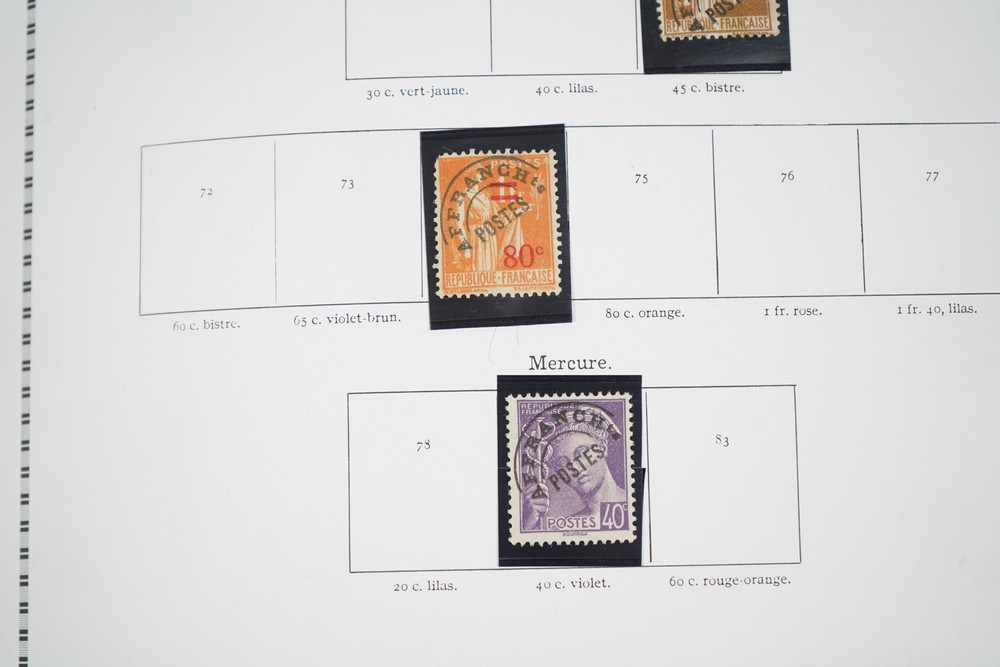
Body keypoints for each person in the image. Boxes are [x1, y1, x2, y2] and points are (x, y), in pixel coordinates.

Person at [524, 427, 626, 530]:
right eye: (563, 463)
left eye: (582, 454)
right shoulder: (565, 526)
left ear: (603, 448)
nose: (576, 469)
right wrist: (530, 522)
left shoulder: (631, 507)